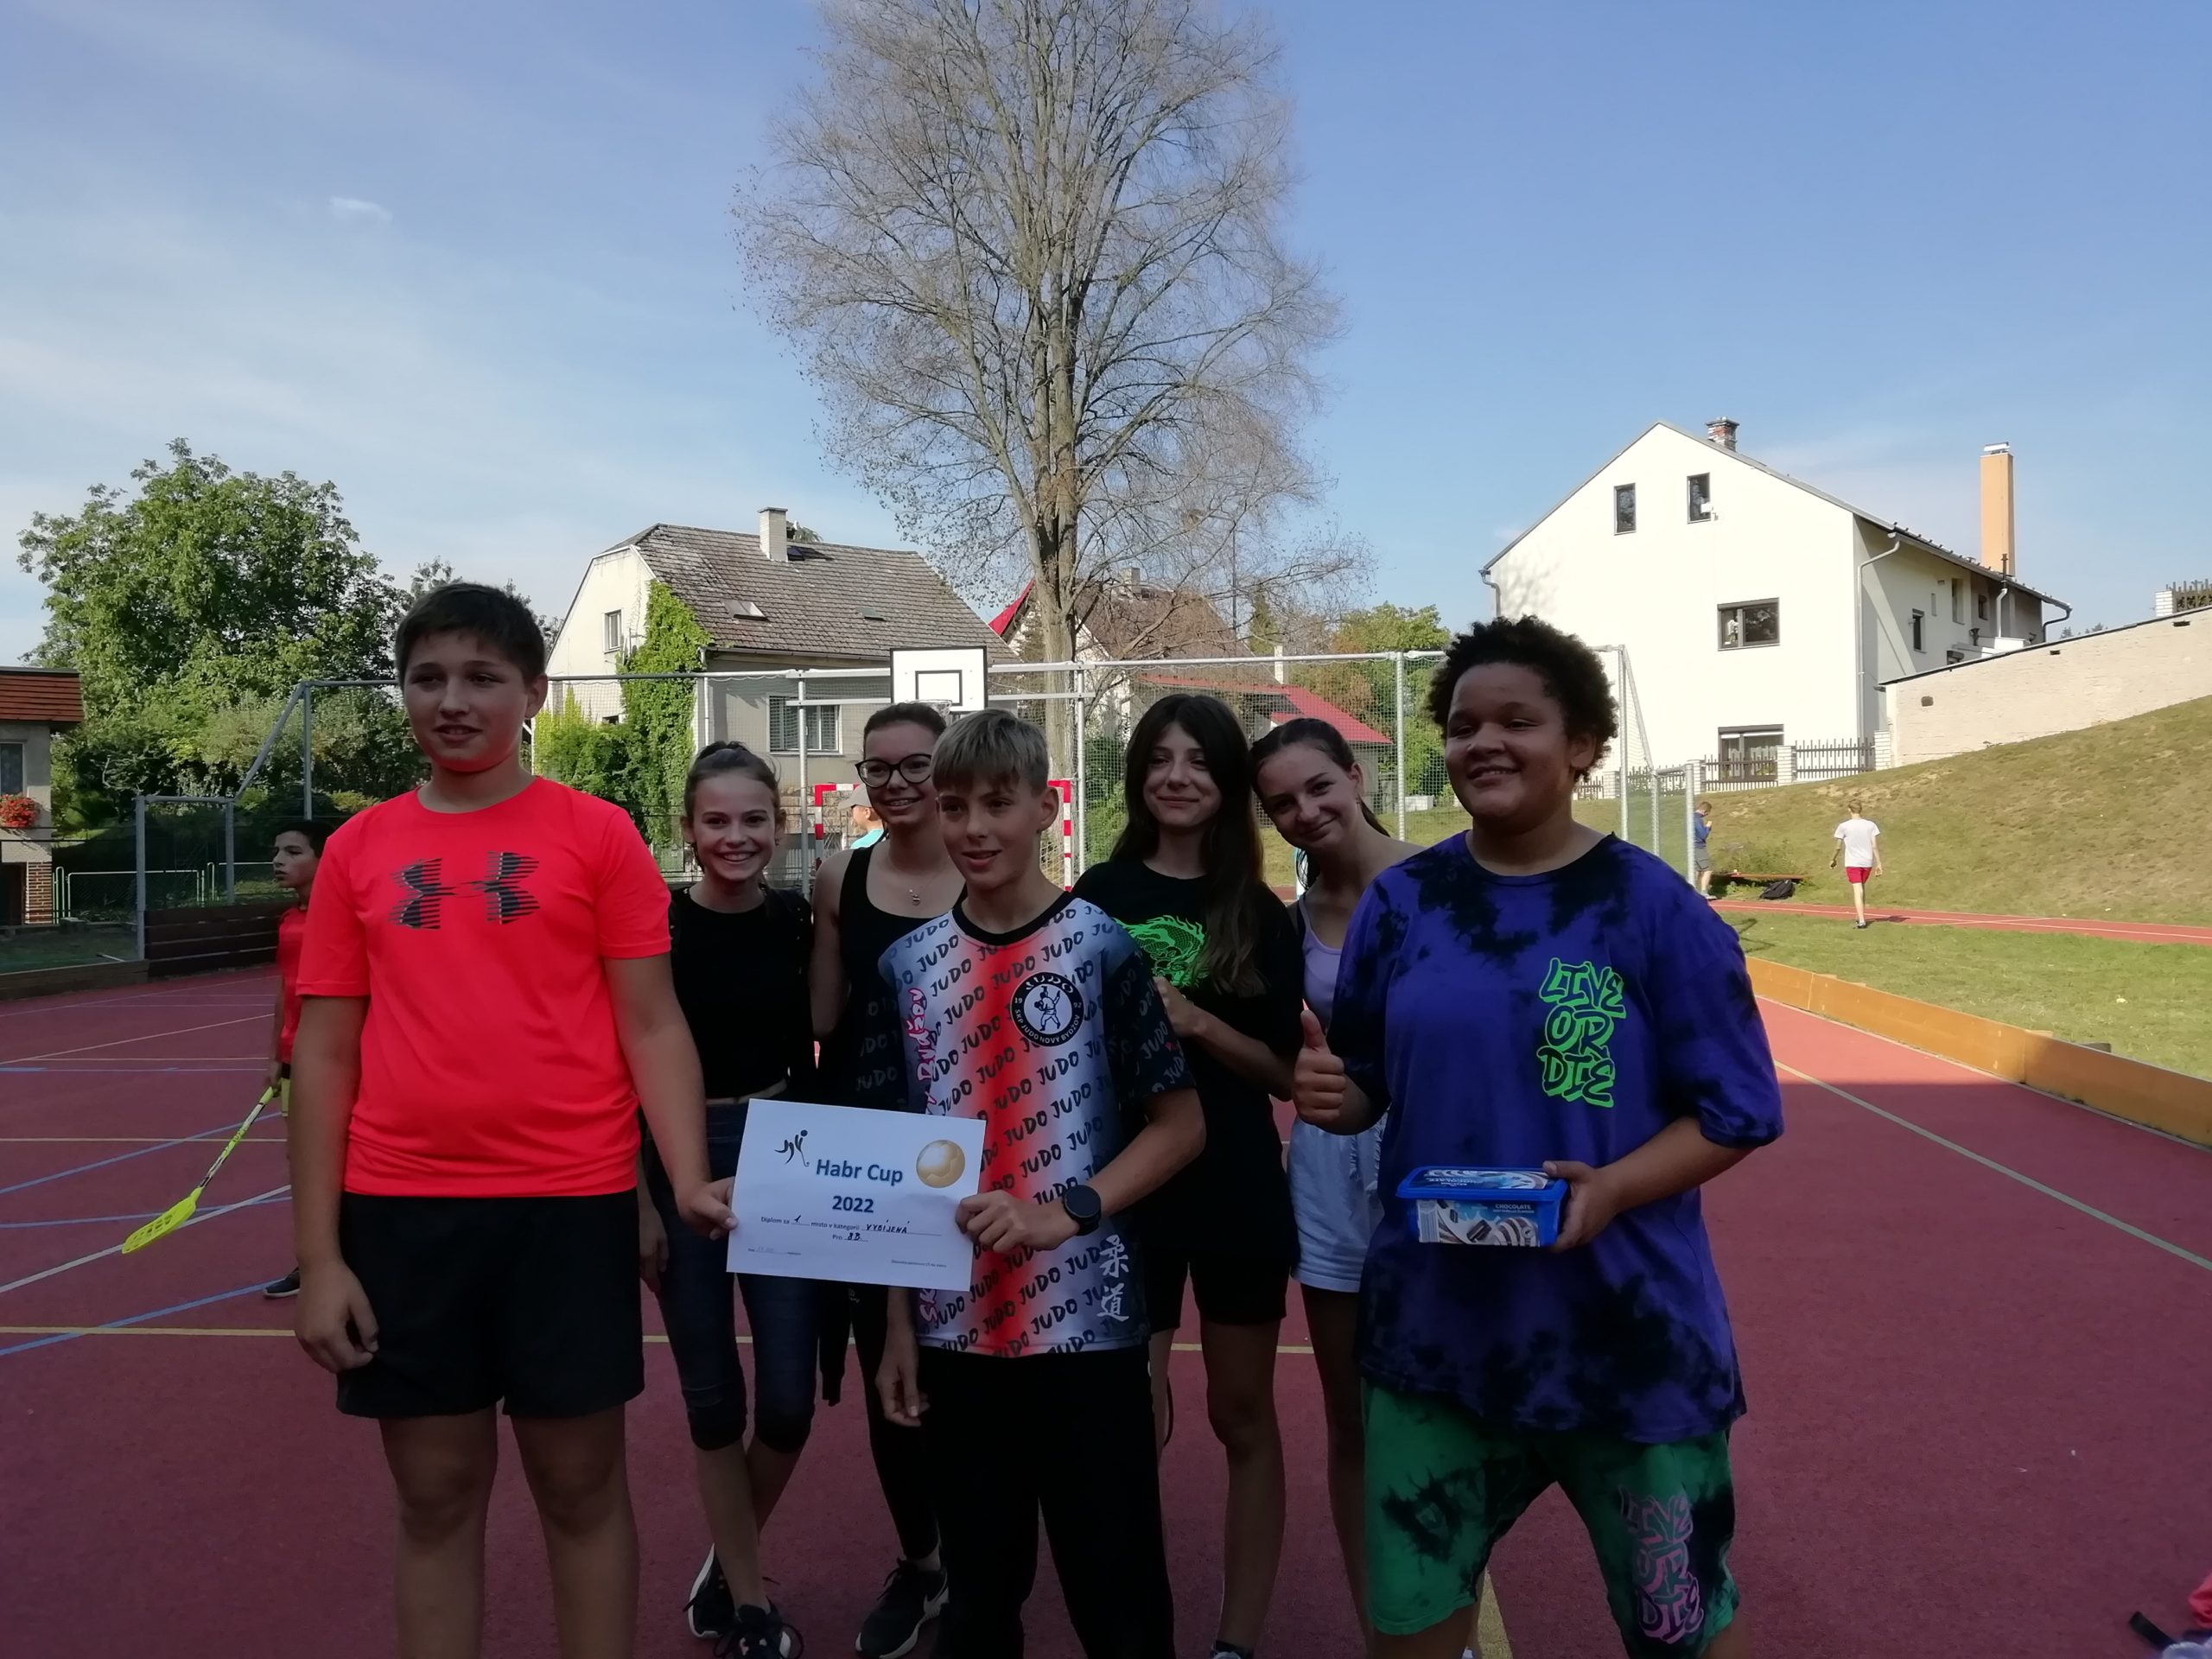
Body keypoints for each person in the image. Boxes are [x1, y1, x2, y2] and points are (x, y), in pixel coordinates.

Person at [1294, 616, 1783, 1659]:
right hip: (1436, 1337)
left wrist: (1612, 1188)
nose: (1484, 742)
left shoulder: (1652, 907)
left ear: (1582, 745)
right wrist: (1339, 1097)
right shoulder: (1404, 905)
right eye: (1463, 725)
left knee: (1681, 1632)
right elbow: (1368, 1079)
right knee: (1409, 1626)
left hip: (1624, 1337)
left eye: (1517, 720)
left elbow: (1738, 1112)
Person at [289, 582, 734, 1659]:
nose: (453, 700)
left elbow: (652, 1024)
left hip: (566, 1209)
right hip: (402, 1213)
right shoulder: (358, 850)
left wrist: (681, 1177)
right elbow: (325, 1052)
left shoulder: (597, 835)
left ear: (532, 693)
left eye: (481, 678)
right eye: (428, 678)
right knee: (436, 1497)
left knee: (579, 1490)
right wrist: (320, 1257)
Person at [872, 709, 1205, 1659]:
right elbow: (890, 1158)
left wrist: (1066, 1213)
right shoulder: (906, 967)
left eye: (996, 804)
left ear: (1044, 810)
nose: (974, 828)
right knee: (980, 1598)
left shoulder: (1102, 948)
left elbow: (1182, 1126)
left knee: (1119, 1597)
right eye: (954, 807)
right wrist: (897, 1324)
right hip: (955, 1330)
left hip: (1086, 1327)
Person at [1072, 693, 1302, 1659]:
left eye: (1199, 761)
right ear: (1137, 777)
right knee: (1129, 1414)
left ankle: (1236, 1638)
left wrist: (1200, 1022)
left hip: (1236, 1186)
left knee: (1241, 1413)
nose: (1177, 777)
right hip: (1129, 1185)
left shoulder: (1258, 912)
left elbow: (1285, 1074)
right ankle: (1137, 1626)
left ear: (1228, 782)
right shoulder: (1097, 894)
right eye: (1160, 759)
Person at [644, 743, 820, 1656]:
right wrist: (640, 1203)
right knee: (714, 1400)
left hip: (782, 1149)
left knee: (788, 1403)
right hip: (680, 1156)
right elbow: (622, 1065)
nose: (735, 836)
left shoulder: (796, 921)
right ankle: (751, 1607)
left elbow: (817, 1041)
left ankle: (727, 1557)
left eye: (754, 819)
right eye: (716, 821)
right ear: (688, 830)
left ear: (778, 829)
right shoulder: (657, 930)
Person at [1249, 719, 1420, 1641]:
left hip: (1432, 1156)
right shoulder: (1290, 923)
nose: (1305, 811)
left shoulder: (1440, 884)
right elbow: (1291, 1063)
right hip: (1327, 1170)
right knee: (1350, 1418)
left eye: (1319, 787)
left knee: (1437, 1414)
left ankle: (1439, 1614)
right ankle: (1380, 1629)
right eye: (1281, 804)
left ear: (1356, 776)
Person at [810, 702, 965, 1658]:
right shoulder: (840, 875)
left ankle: (981, 1559)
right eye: (880, 768)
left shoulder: (984, 867)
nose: (898, 783)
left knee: (971, 1367)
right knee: (888, 1367)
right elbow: (823, 1014)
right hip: (868, 1148)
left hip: (973, 1148)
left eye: (917, 765)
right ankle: (923, 1562)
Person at [261, 817, 330, 1300]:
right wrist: (275, 1055)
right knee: (303, 1161)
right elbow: (285, 992)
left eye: (293, 852)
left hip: (335, 1058)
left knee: (342, 1160)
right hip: (294, 1059)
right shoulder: (290, 921)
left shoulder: (346, 918)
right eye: (277, 852)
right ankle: (314, 1259)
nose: (278, 861)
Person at [1828, 803, 1883, 928]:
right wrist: (1879, 863)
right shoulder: (1870, 825)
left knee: (1858, 889)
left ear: (1849, 810)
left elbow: (1838, 846)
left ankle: (1862, 920)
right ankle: (1859, 916)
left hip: (1853, 862)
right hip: (1867, 861)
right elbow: (1874, 845)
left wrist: (1833, 859)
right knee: (1861, 888)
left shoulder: (1844, 826)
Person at [1692, 798, 1714, 898]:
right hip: (1699, 847)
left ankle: (1691, 891)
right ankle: (1704, 892)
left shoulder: (1690, 817)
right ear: (1705, 811)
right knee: (1708, 869)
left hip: (1691, 847)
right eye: (1707, 813)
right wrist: (1708, 827)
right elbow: (1703, 835)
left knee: (1697, 870)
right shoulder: (1698, 820)